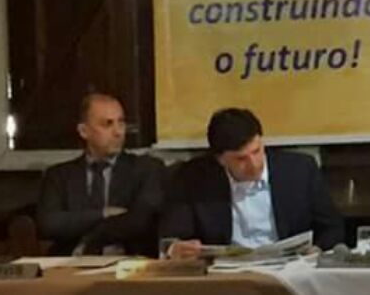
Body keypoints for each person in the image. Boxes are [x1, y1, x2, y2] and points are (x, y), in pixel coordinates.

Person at [160, 108, 345, 258]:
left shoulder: (299, 169)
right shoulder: (194, 177)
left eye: (256, 151)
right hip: (225, 277)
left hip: (290, 271)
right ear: (220, 159)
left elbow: (333, 227)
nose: (254, 164)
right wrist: (175, 248)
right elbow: (171, 236)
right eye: (241, 159)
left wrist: (316, 250)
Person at [37, 93, 165, 256]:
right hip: (70, 264)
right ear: (84, 131)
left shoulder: (146, 168)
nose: (118, 132)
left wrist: (90, 239)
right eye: (107, 124)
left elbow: (140, 221)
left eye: (121, 122)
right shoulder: (59, 175)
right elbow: (49, 224)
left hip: (129, 262)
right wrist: (103, 214)